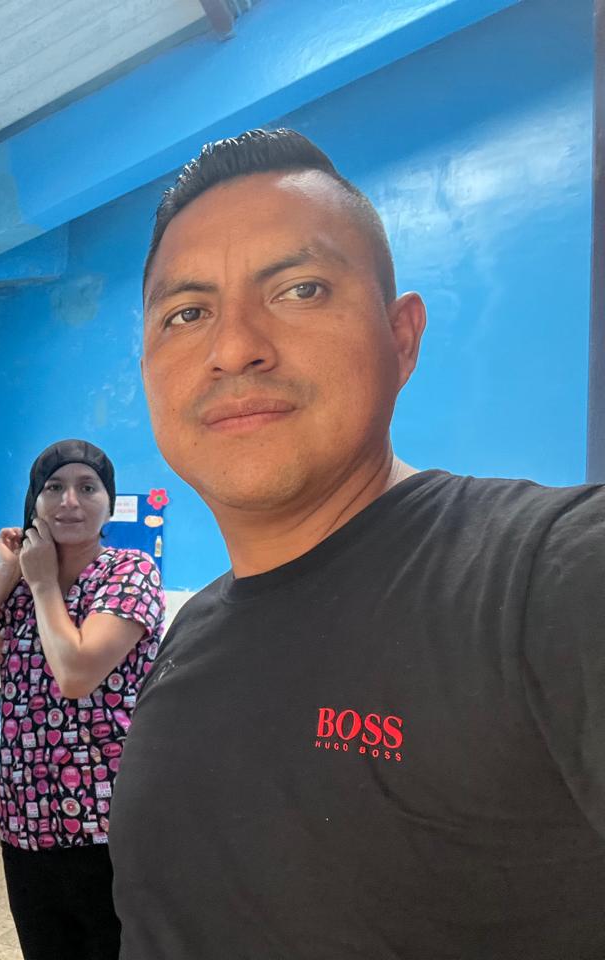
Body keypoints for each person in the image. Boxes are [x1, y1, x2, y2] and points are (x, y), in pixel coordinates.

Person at [110, 128, 605, 959]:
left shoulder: (545, 578)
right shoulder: (193, 629)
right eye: (187, 314)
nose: (233, 348)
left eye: (299, 289)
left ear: (401, 337)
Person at [0, 439, 165, 960]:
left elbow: (76, 673)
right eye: (54, 487)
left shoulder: (130, 573)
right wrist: (7, 572)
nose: (69, 501)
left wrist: (41, 584)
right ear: (34, 502)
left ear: (108, 504)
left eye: (88, 488)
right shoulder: (19, 589)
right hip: (26, 823)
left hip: (109, 826)